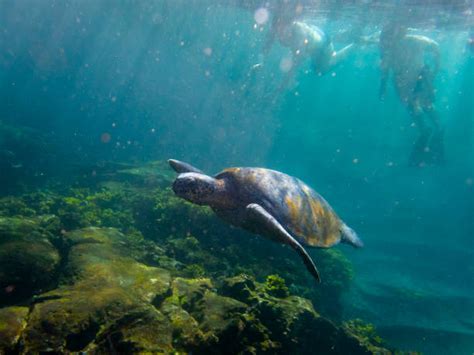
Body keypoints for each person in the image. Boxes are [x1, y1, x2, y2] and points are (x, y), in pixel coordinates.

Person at [379, 23, 443, 166]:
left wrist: (434, 72)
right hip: (414, 81)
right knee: (423, 107)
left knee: (421, 107)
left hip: (414, 81)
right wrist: (434, 72)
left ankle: (430, 136)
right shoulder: (411, 41)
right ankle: (433, 135)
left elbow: (384, 70)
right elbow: (436, 48)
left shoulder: (413, 41)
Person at [261, 2, 360, 89]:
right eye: (278, 28)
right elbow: (267, 45)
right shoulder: (276, 28)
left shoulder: (298, 36)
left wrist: (283, 85)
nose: (280, 32)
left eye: (282, 28)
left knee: (321, 70)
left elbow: (296, 62)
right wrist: (262, 61)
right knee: (315, 67)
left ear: (289, 24)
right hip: (315, 36)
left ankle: (354, 45)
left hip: (323, 46)